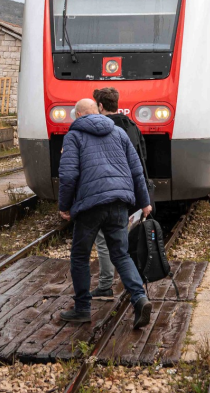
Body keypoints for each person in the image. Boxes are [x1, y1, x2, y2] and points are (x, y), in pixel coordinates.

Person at [58, 98, 153, 327]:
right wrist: (145, 202)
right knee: (121, 254)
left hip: (90, 205)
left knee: (80, 256)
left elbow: (68, 175)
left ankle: (82, 308)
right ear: (98, 112)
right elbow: (136, 170)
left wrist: (64, 206)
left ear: (78, 115)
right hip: (119, 202)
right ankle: (140, 299)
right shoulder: (119, 133)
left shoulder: (74, 135)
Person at [89, 87, 153, 299]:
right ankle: (136, 288)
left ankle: (106, 285)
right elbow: (141, 160)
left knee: (104, 241)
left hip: (108, 194)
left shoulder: (101, 129)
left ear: (100, 106)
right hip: (131, 191)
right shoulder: (132, 125)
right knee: (125, 243)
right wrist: (144, 197)